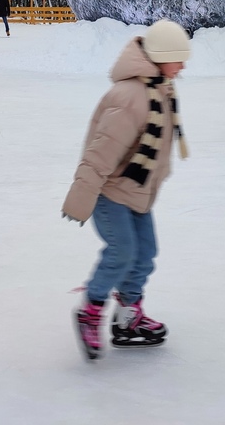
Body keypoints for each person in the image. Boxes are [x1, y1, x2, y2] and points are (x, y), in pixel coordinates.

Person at [62, 20, 191, 361]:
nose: (184, 65)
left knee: (145, 253)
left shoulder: (159, 88)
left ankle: (128, 316)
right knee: (123, 252)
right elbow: (101, 151)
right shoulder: (131, 96)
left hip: (135, 192)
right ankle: (91, 310)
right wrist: (80, 198)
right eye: (179, 58)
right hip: (109, 193)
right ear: (162, 56)